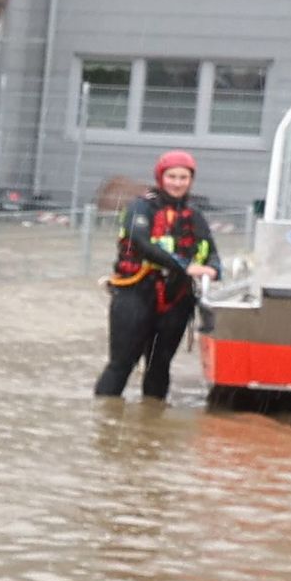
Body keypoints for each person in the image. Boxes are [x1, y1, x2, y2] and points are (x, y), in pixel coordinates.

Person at [95, 146, 218, 398]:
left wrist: (215, 269)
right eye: (171, 176)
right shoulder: (140, 209)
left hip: (177, 298)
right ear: (160, 177)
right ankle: (105, 424)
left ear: (191, 181)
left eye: (183, 178)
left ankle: (152, 423)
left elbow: (211, 252)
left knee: (160, 367)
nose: (177, 183)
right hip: (135, 293)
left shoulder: (195, 216)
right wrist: (184, 266)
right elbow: (140, 243)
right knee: (121, 364)